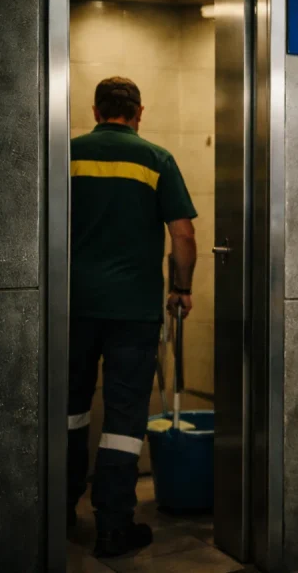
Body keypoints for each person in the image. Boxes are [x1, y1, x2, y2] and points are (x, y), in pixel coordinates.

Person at [67, 77, 198, 557]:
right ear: (139, 112)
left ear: (96, 111)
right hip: (134, 313)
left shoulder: (67, 154)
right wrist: (182, 288)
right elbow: (183, 235)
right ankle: (112, 526)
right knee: (124, 420)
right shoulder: (156, 159)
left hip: (71, 308)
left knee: (68, 411)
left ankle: (58, 509)